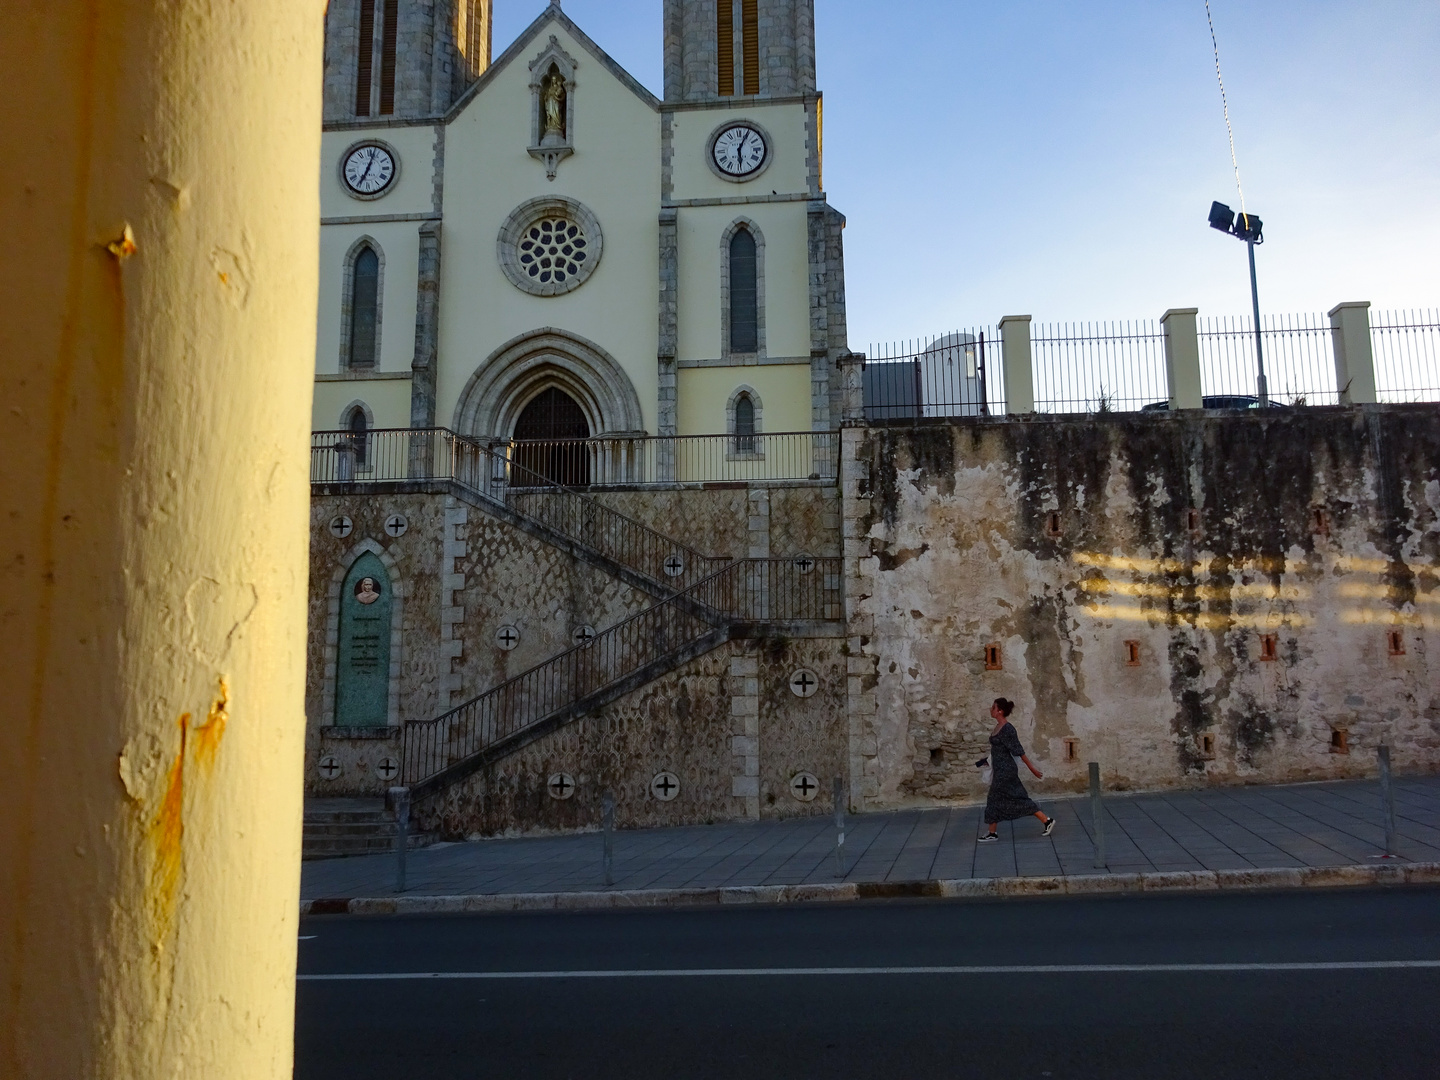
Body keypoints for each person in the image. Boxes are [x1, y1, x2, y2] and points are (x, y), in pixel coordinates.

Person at [977, 697, 1055, 841]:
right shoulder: (998, 727)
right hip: (999, 769)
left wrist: (1032, 769)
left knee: (1003, 798)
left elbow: (1018, 750)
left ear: (1000, 711)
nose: (991, 709)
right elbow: (998, 750)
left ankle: (993, 833)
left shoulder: (1008, 729)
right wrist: (987, 761)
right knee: (1001, 799)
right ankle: (1046, 820)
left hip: (1006, 771)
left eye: (993, 707)